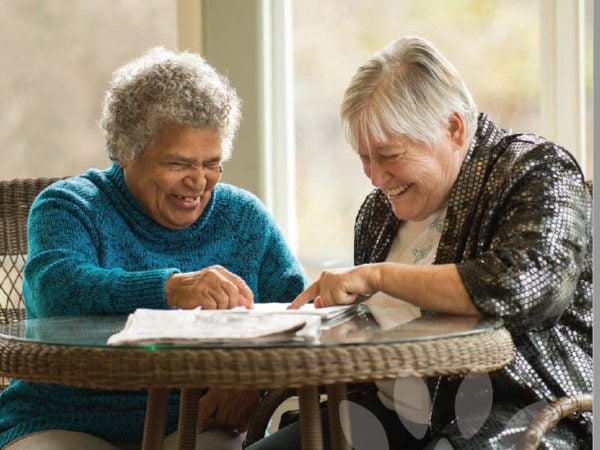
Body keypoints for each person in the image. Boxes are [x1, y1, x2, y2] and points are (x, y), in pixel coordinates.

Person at [246, 36, 592, 449]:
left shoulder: (536, 170)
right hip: (391, 413)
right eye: (363, 158)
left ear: (453, 128)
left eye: (389, 156)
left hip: (518, 410)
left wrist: (380, 276)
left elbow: (522, 289)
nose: (375, 178)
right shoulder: (378, 213)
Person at [0, 47, 307, 450]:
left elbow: (302, 318)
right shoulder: (70, 206)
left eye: (212, 163)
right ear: (126, 151)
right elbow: (56, 289)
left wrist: (252, 383)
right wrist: (170, 289)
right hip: (61, 415)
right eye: (178, 164)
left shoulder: (243, 218)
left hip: (195, 417)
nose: (198, 182)